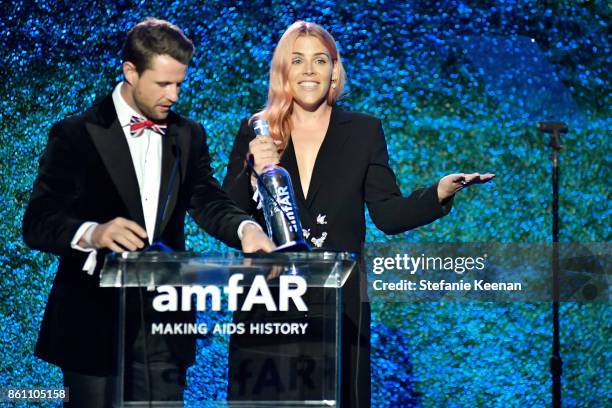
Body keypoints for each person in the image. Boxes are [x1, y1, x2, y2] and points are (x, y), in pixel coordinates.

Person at [222, 21, 494, 407]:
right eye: (297, 60)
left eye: (320, 60)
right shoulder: (257, 130)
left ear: (335, 70)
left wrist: (438, 193)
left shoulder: (364, 131)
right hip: (269, 298)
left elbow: (388, 213)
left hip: (338, 301)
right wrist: (251, 169)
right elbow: (229, 214)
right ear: (283, 70)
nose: (309, 70)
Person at [22, 18, 274, 407]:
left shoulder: (188, 135)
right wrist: (93, 232)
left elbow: (207, 199)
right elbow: (38, 222)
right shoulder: (74, 134)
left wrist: (245, 229)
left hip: (166, 319)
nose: (173, 95)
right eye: (162, 84)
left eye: (179, 84)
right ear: (130, 71)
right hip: (92, 322)